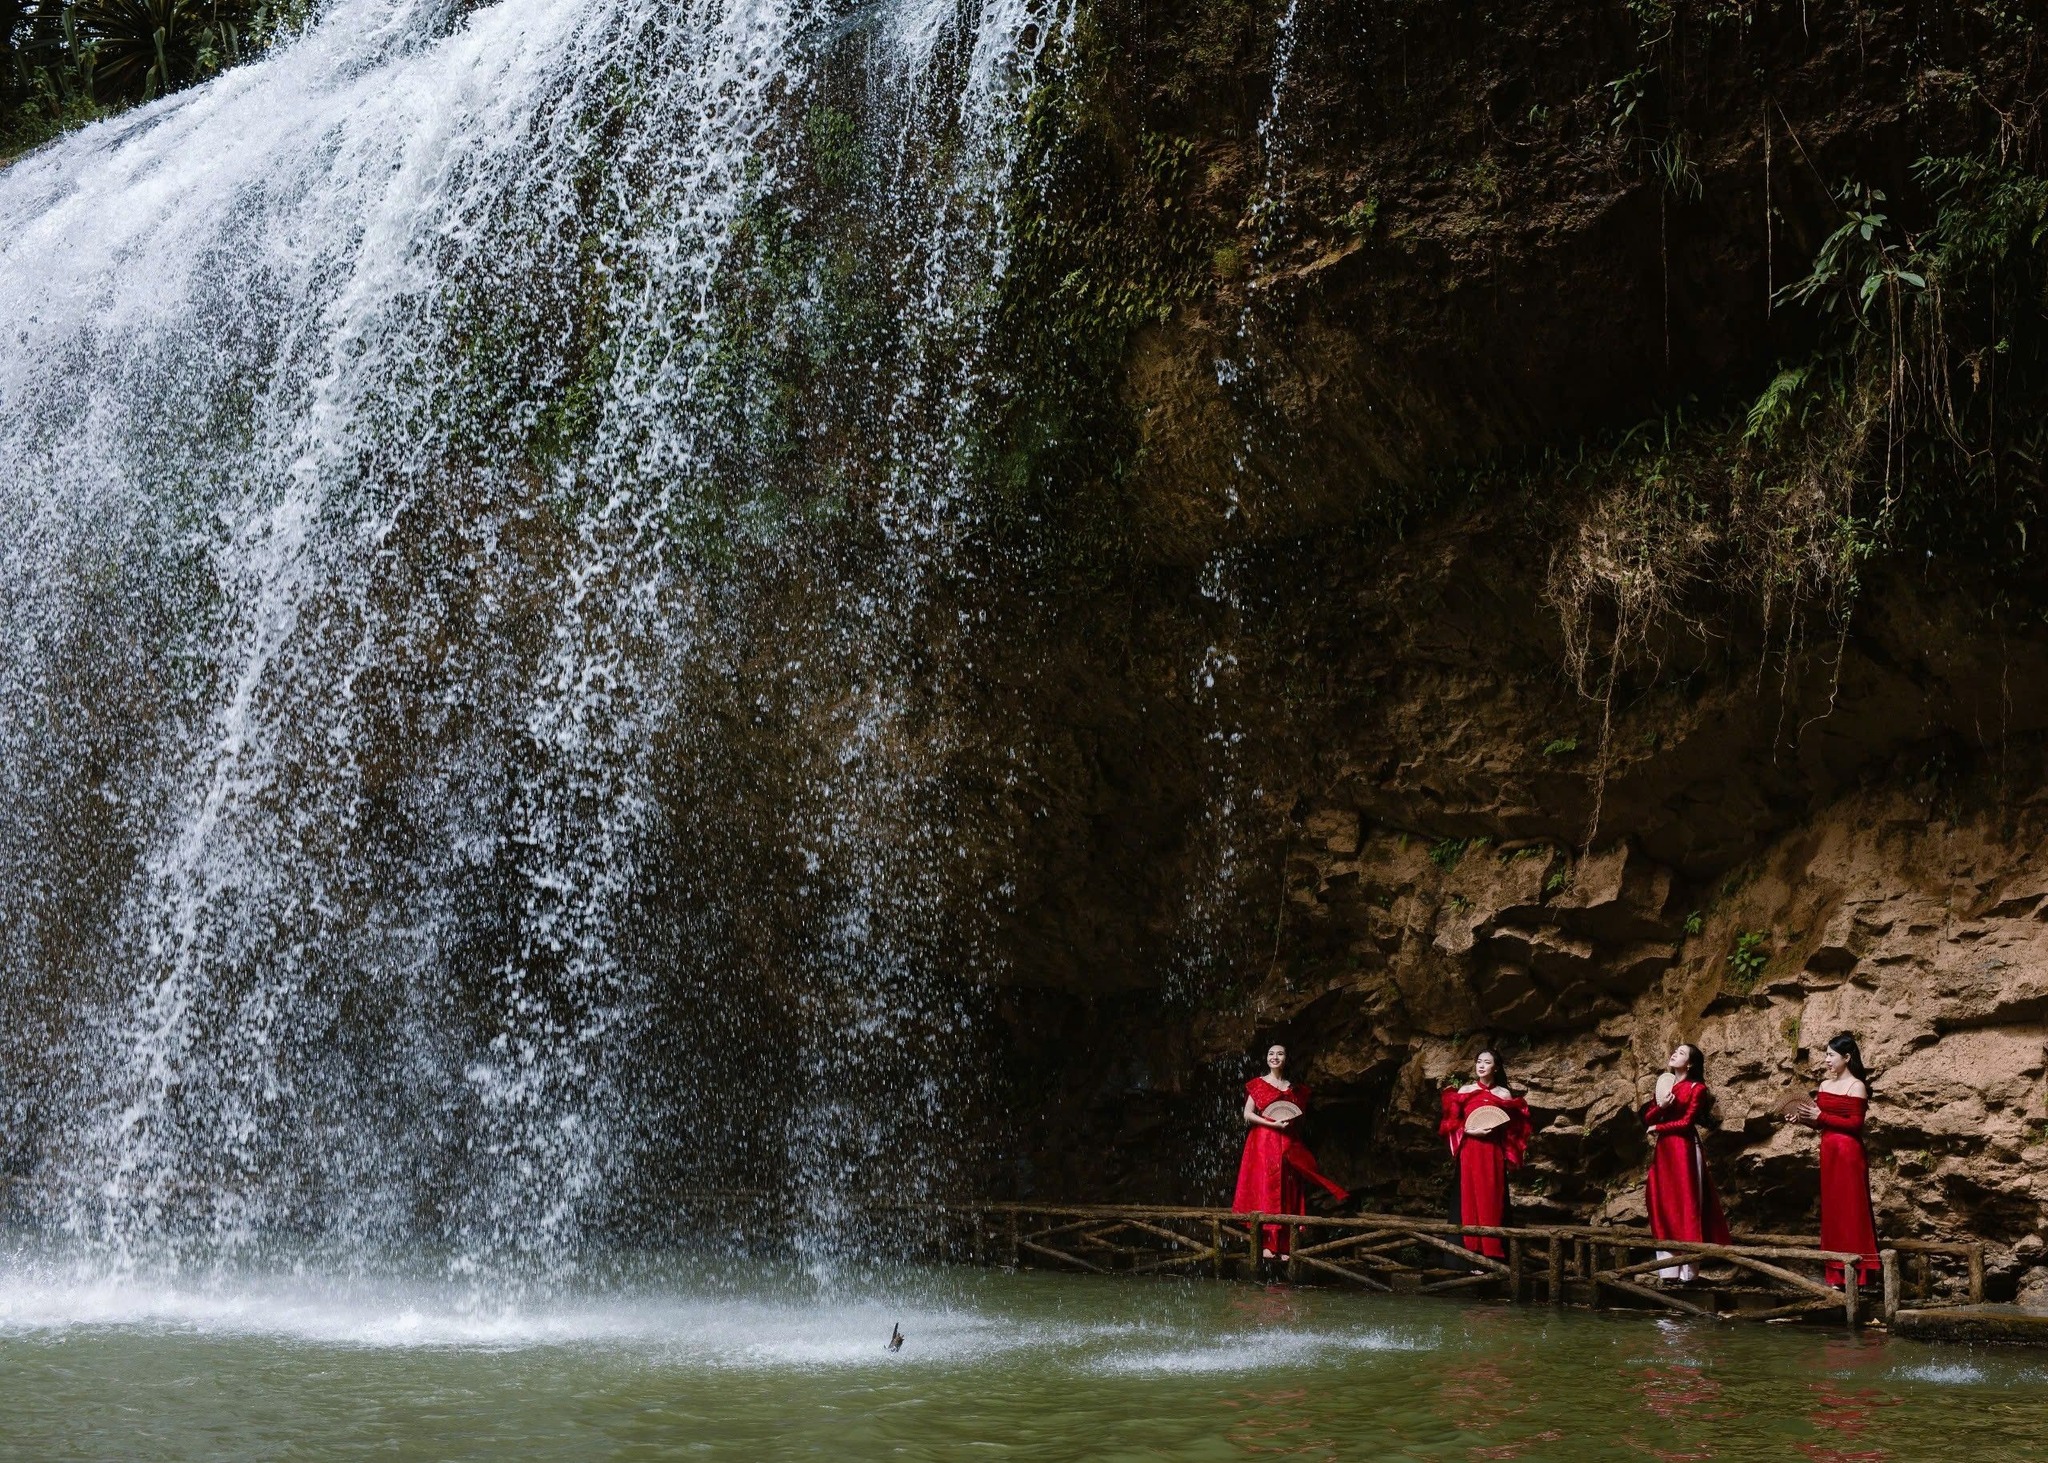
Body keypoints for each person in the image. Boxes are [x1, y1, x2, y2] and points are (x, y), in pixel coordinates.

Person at [1232, 1043, 1349, 1259]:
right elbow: (1247, 1114)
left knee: (1288, 1187)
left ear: (1286, 1059)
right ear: (1266, 1058)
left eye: (1280, 1053)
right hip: (1263, 1141)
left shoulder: (1293, 1087)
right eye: (1270, 1054)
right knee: (1267, 1187)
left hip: (1287, 1141)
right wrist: (1272, 1124)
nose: (1274, 1057)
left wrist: (1287, 1126)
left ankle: (1284, 1245)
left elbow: (1298, 1116)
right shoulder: (1258, 1084)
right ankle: (1268, 1245)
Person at [1783, 1033, 1880, 1288]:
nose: (1826, 1060)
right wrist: (1802, 1118)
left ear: (1846, 1057)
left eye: (1830, 1055)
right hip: (1829, 1151)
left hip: (1849, 1153)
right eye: (1826, 1054)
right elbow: (1819, 1122)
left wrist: (1820, 1116)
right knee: (1834, 1209)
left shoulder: (1857, 1085)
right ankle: (1835, 1273)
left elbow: (1855, 1125)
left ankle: (1859, 1274)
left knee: (1852, 1209)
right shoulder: (1825, 1086)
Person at [1641, 1042, 1730, 1281]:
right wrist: (1661, 1107)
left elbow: (1687, 1123)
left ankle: (1688, 1273)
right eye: (1675, 1051)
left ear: (1690, 1063)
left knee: (1687, 1201)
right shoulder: (1665, 1083)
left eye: (1681, 1053)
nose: (1674, 1054)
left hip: (1684, 1149)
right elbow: (1648, 1116)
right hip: (1664, 1151)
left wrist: (1658, 1125)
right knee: (1661, 1201)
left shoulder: (1696, 1088)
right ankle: (1668, 1272)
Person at [1438, 1050, 1529, 1257]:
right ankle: (1469, 1253)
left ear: (1495, 1067)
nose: (1481, 1066)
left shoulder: (1503, 1094)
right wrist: (1471, 1130)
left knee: (1492, 1196)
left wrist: (1497, 1128)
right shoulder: (1465, 1090)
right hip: (1470, 1148)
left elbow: (1514, 1127)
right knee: (1469, 1195)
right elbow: (1449, 1124)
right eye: (1478, 1061)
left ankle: (1491, 1251)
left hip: (1492, 1150)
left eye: (1486, 1062)